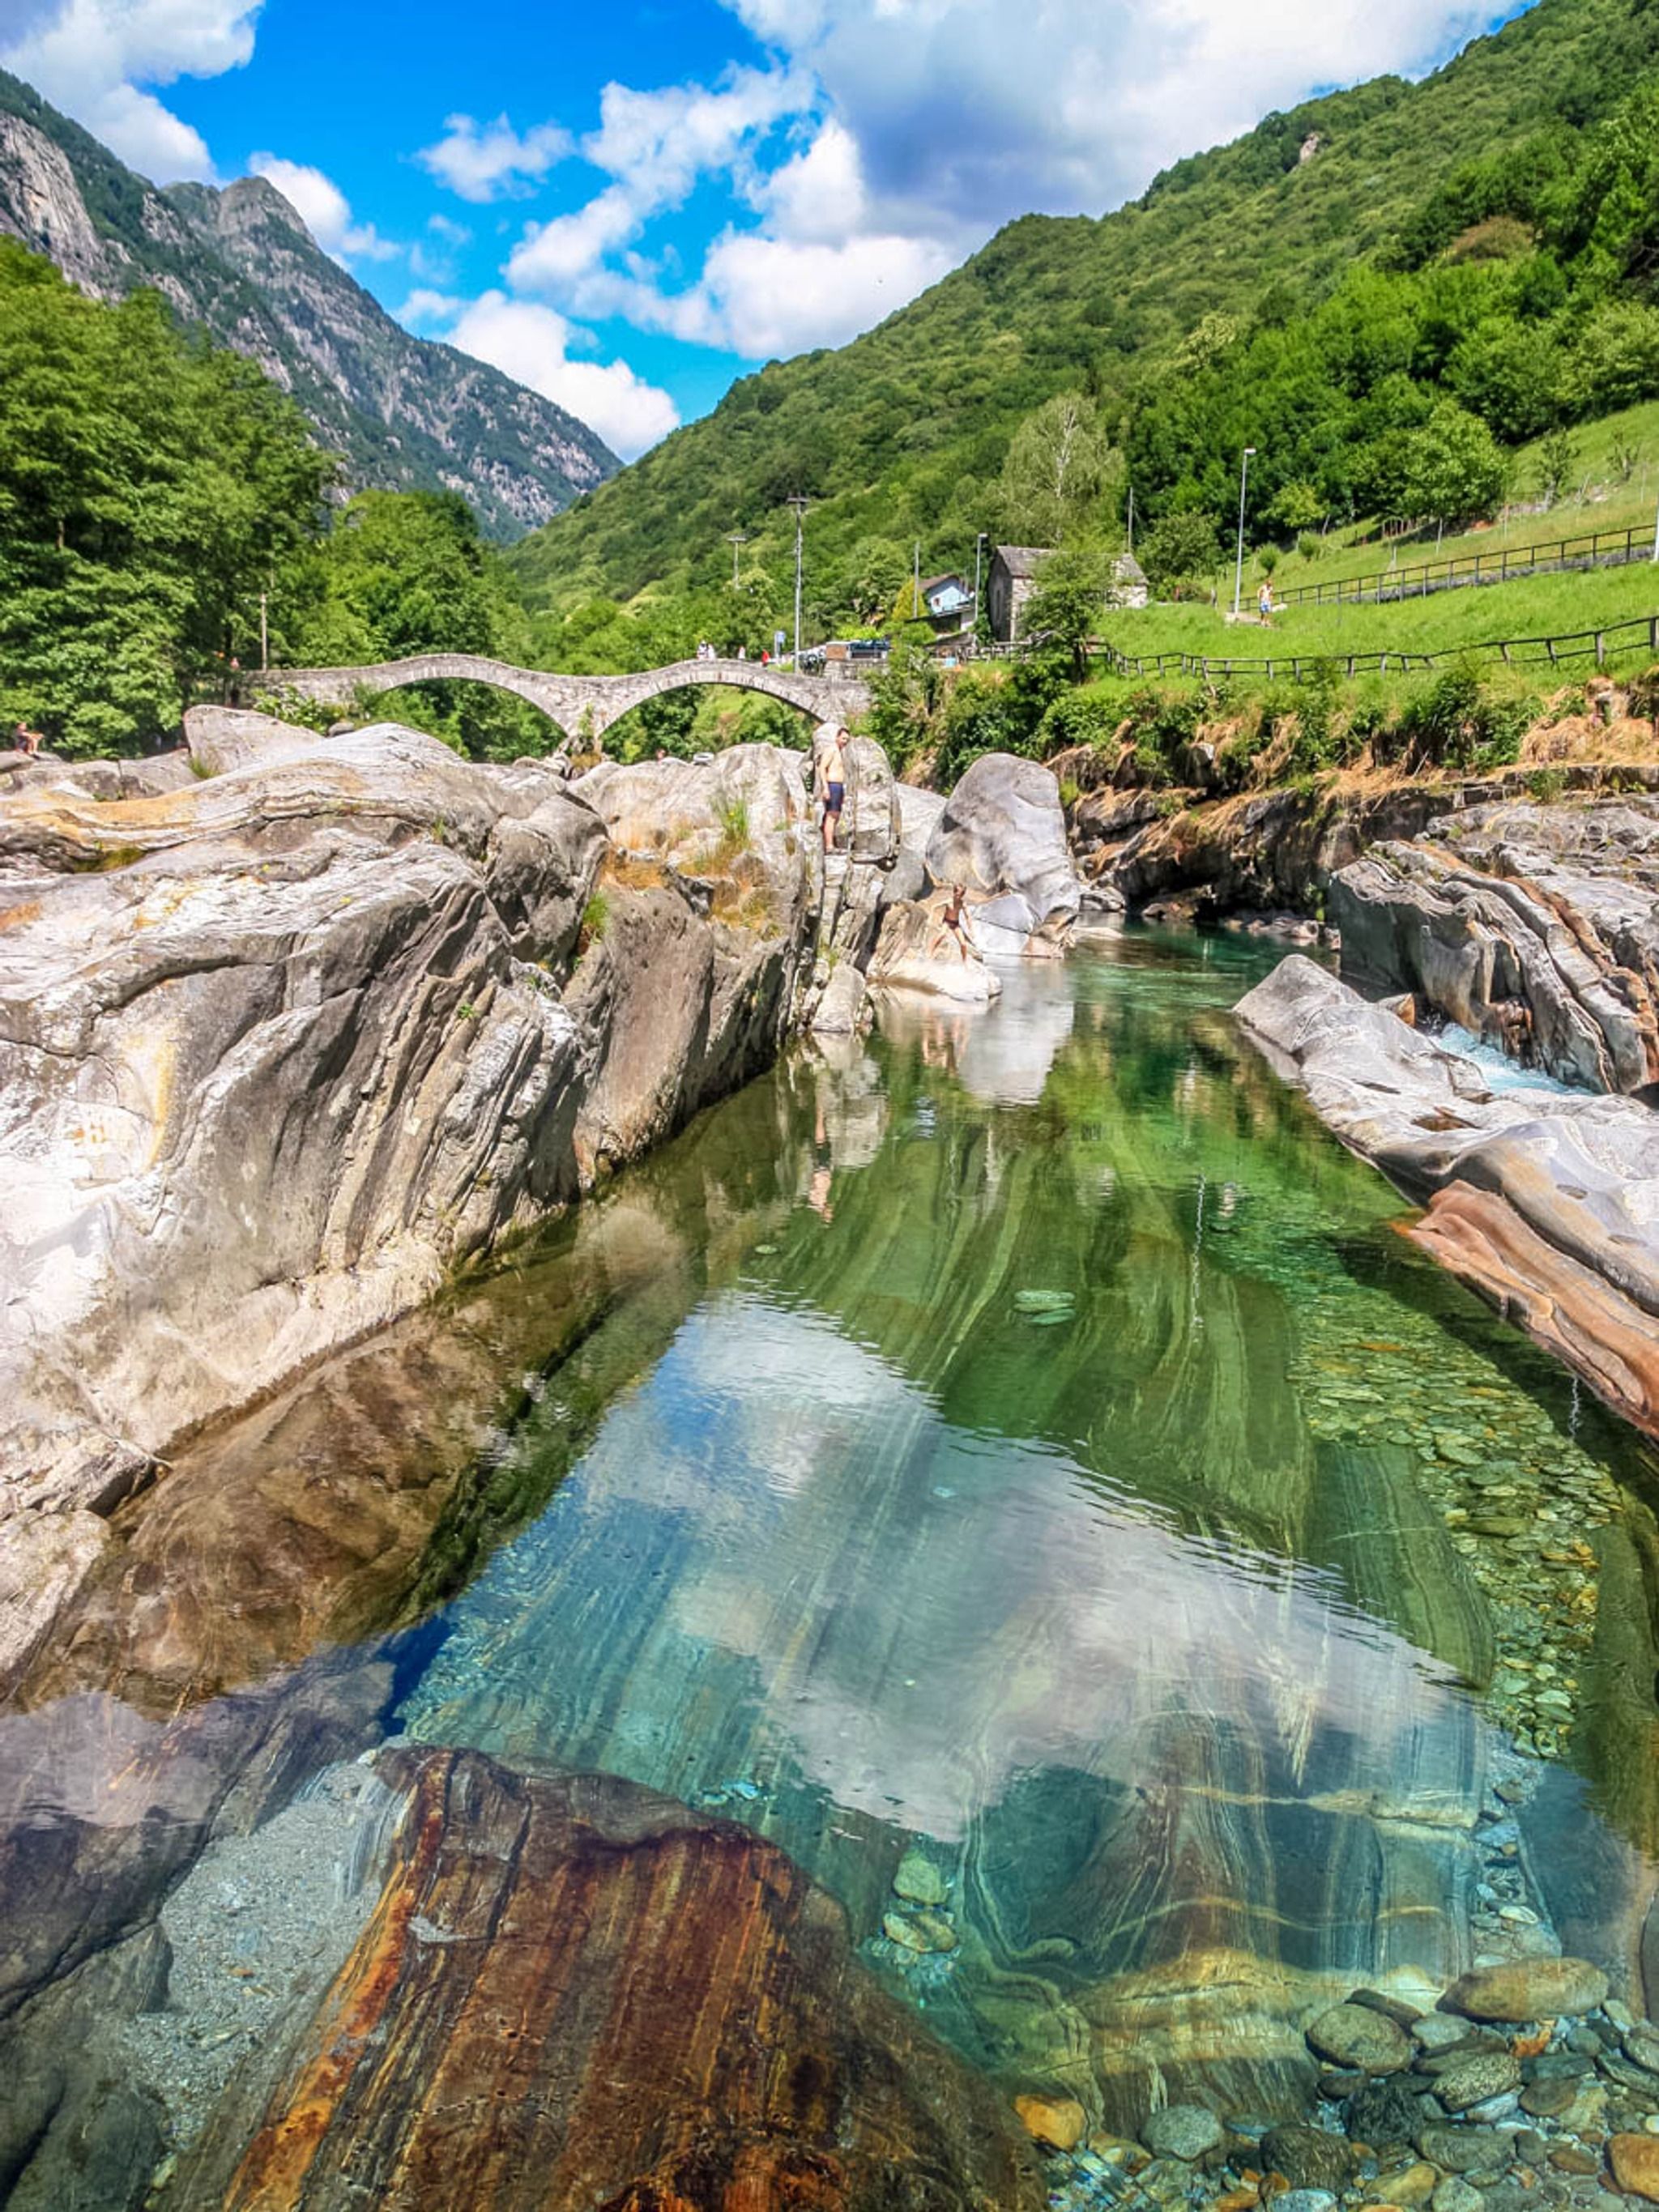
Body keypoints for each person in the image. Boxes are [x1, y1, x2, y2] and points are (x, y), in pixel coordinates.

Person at [814, 721, 848, 854]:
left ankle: (829, 843)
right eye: (843, 739)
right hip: (832, 785)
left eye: (847, 740)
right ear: (837, 738)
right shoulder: (831, 750)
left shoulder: (840, 752)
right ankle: (829, 846)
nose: (845, 742)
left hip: (838, 786)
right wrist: (825, 787)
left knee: (836, 815)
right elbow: (822, 767)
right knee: (831, 815)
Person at [932, 883, 976, 963]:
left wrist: (971, 930)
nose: (958, 896)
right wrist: (933, 917)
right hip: (947, 922)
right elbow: (934, 907)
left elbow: (968, 917)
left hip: (955, 924)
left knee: (963, 944)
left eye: (960, 895)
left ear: (962, 895)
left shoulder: (962, 904)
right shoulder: (949, 901)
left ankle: (965, 962)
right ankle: (930, 953)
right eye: (956, 893)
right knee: (942, 934)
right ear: (954, 892)